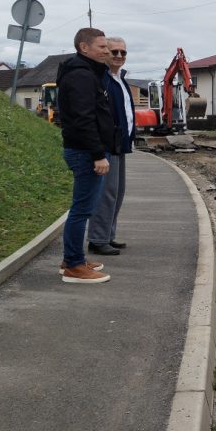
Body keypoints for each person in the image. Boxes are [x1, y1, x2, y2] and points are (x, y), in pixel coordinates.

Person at [56, 28, 115, 283]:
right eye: (101, 47)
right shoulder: (81, 75)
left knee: (82, 208)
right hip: (85, 152)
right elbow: (84, 118)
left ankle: (72, 258)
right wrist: (97, 154)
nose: (107, 51)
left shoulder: (86, 72)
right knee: (81, 210)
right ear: (84, 47)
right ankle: (74, 266)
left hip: (84, 150)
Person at [88, 37, 136, 256]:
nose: (119, 56)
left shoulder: (120, 79)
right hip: (107, 145)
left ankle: (107, 235)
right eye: (114, 51)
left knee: (117, 193)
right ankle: (98, 239)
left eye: (123, 52)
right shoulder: (102, 79)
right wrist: (99, 149)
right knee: (106, 194)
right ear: (106, 52)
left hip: (120, 144)